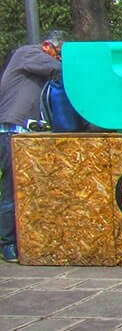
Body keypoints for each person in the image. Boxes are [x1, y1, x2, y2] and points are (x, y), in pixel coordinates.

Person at [0, 30, 65, 263]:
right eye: (58, 53)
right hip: (10, 129)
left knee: (24, 189)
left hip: (22, 131)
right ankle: (7, 243)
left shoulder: (36, 62)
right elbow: (58, 70)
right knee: (11, 188)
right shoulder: (27, 53)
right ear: (47, 45)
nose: (58, 59)